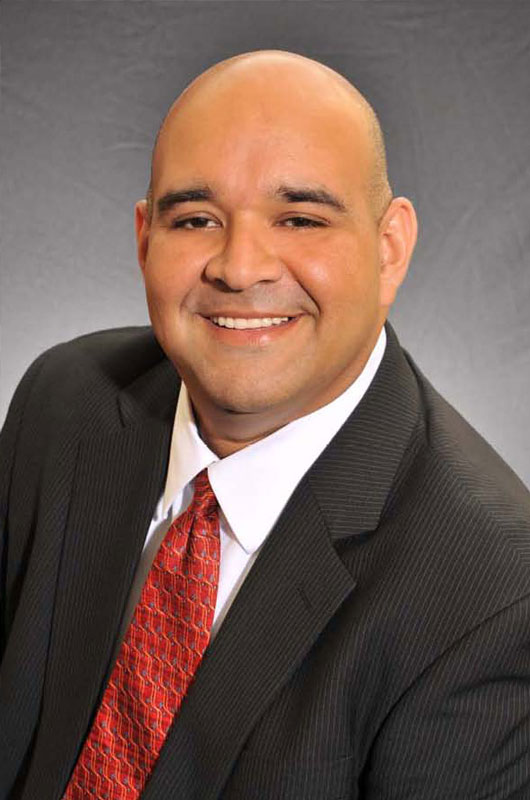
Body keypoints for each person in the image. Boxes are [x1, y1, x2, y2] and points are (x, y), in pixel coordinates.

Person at [1, 48, 530, 800]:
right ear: (145, 239)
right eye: (196, 219)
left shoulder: (493, 597)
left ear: (389, 250)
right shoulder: (65, 404)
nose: (240, 267)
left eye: (300, 219)